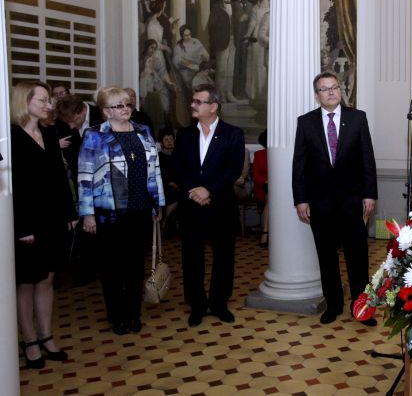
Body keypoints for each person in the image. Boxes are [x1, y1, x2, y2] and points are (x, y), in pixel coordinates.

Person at [292, 71, 378, 326]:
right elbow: (299, 164)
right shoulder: (306, 122)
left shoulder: (357, 118)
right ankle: (333, 305)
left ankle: (361, 308)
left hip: (353, 200)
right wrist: (300, 199)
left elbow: (367, 159)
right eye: (324, 89)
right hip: (320, 203)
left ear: (340, 90)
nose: (330, 92)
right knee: (326, 256)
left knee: (357, 256)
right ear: (317, 95)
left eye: (334, 87)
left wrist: (369, 194)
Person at [77, 86, 165, 335]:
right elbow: (84, 176)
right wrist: (88, 213)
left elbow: (155, 169)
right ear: (106, 111)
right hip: (110, 212)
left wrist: (157, 203)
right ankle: (117, 317)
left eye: (128, 104)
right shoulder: (94, 135)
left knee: (135, 266)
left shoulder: (143, 131)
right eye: (119, 105)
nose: (126, 109)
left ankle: (134, 314)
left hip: (141, 209)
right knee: (112, 268)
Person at [11, 81, 78, 369]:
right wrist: (21, 227)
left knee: (47, 278)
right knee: (26, 282)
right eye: (42, 100)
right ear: (24, 101)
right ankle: (29, 341)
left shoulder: (49, 133)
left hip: (53, 218)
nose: (48, 105)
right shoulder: (11, 137)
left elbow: (59, 178)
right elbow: (12, 188)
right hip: (26, 221)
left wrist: (70, 212)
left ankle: (46, 335)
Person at [172, 84, 245, 327]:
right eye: (193, 101)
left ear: (213, 106)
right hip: (191, 204)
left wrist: (209, 189)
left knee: (224, 256)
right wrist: (194, 190)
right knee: (192, 256)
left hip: (221, 204)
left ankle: (219, 303)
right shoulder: (184, 134)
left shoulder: (233, 133)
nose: (192, 105)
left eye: (198, 102)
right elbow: (178, 167)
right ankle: (197, 305)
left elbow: (233, 169)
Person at [208, 0, 240, 103]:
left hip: (233, 42)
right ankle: (220, 96)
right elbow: (211, 27)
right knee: (221, 71)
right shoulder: (216, 7)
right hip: (222, 43)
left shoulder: (234, 7)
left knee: (230, 70)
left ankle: (229, 94)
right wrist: (216, 42)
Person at [245, 0, 270, 101]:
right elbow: (252, 23)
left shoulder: (273, 6)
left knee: (266, 67)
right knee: (257, 66)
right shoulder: (255, 8)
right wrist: (248, 34)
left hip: (268, 38)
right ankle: (256, 95)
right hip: (257, 39)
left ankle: (266, 95)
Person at [173, 24, 209, 93]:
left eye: (189, 34)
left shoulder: (196, 41)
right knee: (195, 83)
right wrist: (191, 65)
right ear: (182, 36)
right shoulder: (178, 47)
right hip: (187, 71)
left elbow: (205, 54)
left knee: (206, 82)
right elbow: (178, 62)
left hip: (199, 68)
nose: (189, 37)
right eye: (186, 35)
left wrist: (204, 56)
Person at [232, 0, 252, 100]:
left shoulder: (250, 5)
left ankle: (244, 90)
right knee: (236, 65)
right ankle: (235, 91)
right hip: (236, 39)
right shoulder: (233, 5)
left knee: (245, 65)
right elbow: (235, 21)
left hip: (246, 40)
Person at [252, 129, 269, 248]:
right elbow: (256, 176)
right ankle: (266, 232)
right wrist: (267, 181)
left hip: (281, 190)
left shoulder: (286, 155)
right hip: (262, 188)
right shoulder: (259, 154)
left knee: (271, 197)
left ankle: (265, 233)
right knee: (270, 196)